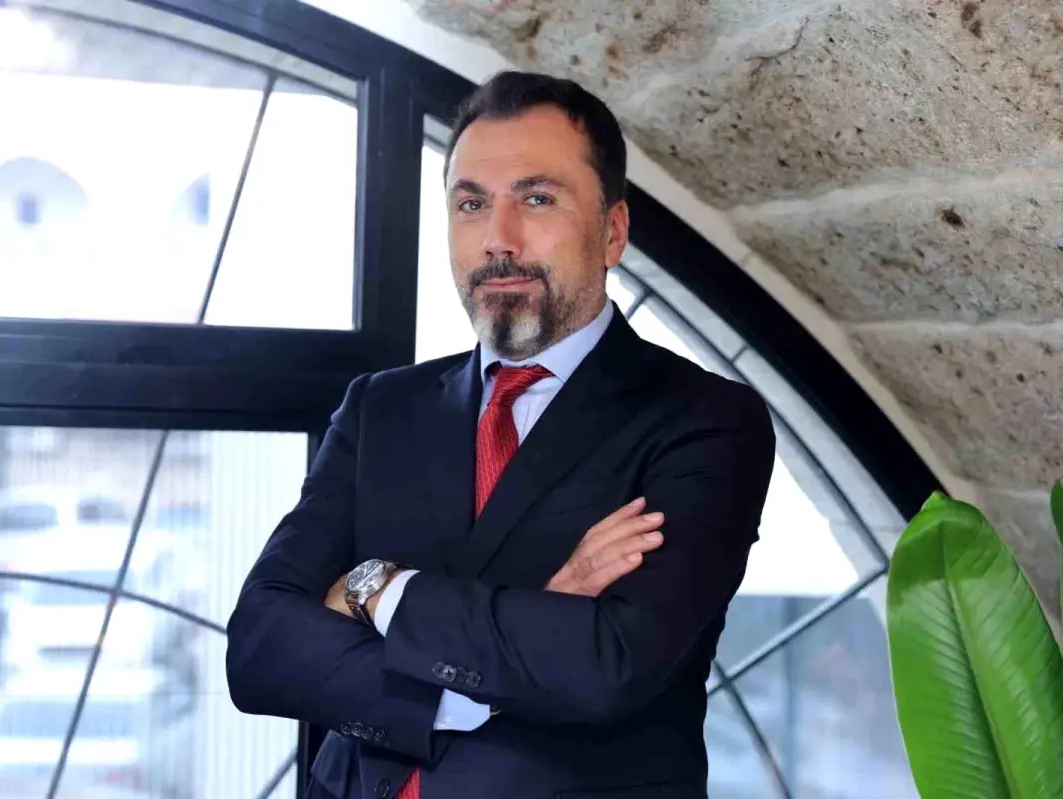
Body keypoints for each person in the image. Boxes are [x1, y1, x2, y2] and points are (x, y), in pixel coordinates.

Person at [226, 70, 776, 799]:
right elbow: (260, 647)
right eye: (471, 203)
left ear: (612, 232)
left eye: (537, 199)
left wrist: (376, 590)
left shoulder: (705, 420)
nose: (498, 239)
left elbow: (608, 665)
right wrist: (532, 620)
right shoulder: (380, 408)